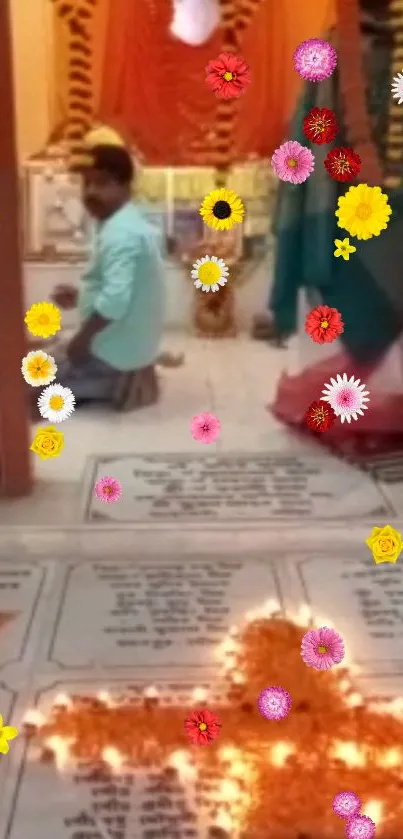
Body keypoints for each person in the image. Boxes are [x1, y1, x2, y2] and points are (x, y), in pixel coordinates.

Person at [257, 0, 403, 462]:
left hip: (372, 209)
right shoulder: (332, 51)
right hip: (351, 213)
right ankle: (364, 416)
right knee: (365, 317)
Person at [45, 144, 166, 411]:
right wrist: (82, 297)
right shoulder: (122, 222)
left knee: (24, 387)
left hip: (115, 361)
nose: (90, 193)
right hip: (128, 350)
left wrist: (81, 342)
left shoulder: (121, 233)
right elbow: (122, 290)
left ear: (125, 186)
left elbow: (114, 302)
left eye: (102, 183)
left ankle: (107, 384)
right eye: (86, 184)